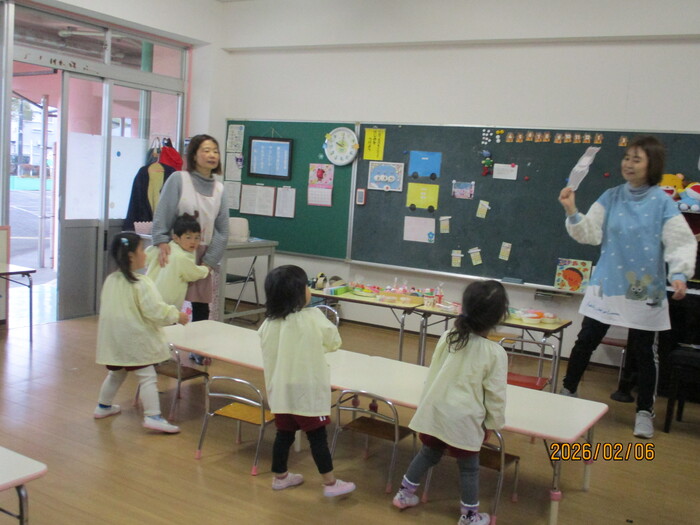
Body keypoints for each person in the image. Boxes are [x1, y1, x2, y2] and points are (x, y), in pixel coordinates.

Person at [558, 135, 697, 439]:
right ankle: (567, 391)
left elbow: (681, 242)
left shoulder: (662, 202)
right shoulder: (611, 196)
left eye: (637, 159)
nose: (628, 164)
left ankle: (644, 411)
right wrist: (572, 210)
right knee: (586, 340)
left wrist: (679, 274)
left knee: (645, 353)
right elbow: (590, 234)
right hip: (607, 285)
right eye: (626, 158)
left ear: (652, 165)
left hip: (645, 289)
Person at [392, 280, 509, 525]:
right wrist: (493, 423)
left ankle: (404, 494)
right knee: (469, 468)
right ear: (499, 317)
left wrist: (425, 405)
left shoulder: (448, 337)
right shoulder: (495, 352)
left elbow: (433, 373)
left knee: (427, 454)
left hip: (435, 411)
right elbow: (495, 395)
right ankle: (469, 517)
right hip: (464, 420)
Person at [258, 265, 356, 498]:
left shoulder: (268, 324)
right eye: (306, 286)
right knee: (317, 436)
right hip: (306, 389)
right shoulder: (313, 317)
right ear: (298, 293)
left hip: (280, 390)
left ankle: (280, 477)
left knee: (284, 434)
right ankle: (330, 483)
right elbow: (334, 342)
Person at [94, 232, 189, 434]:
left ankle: (103, 406)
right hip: (135, 339)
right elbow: (156, 311)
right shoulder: (141, 283)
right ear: (131, 256)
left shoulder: (111, 280)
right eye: (141, 250)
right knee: (147, 376)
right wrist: (176, 316)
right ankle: (153, 416)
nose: (145, 254)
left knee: (116, 373)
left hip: (115, 340)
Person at [151, 134, 228, 364]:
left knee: (201, 305)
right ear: (194, 155)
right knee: (166, 302)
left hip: (203, 253)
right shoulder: (178, 179)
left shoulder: (220, 189)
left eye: (215, 151)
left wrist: (209, 261)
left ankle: (198, 350)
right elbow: (163, 213)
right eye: (206, 150)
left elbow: (222, 229)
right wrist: (161, 242)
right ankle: (157, 350)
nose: (212, 155)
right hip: (174, 251)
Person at [145, 213, 209, 310]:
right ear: (176, 238)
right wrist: (206, 268)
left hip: (148, 296)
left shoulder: (161, 249)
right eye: (188, 237)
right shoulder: (182, 257)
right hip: (167, 304)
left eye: (197, 237)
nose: (193, 242)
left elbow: (146, 256)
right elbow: (194, 273)